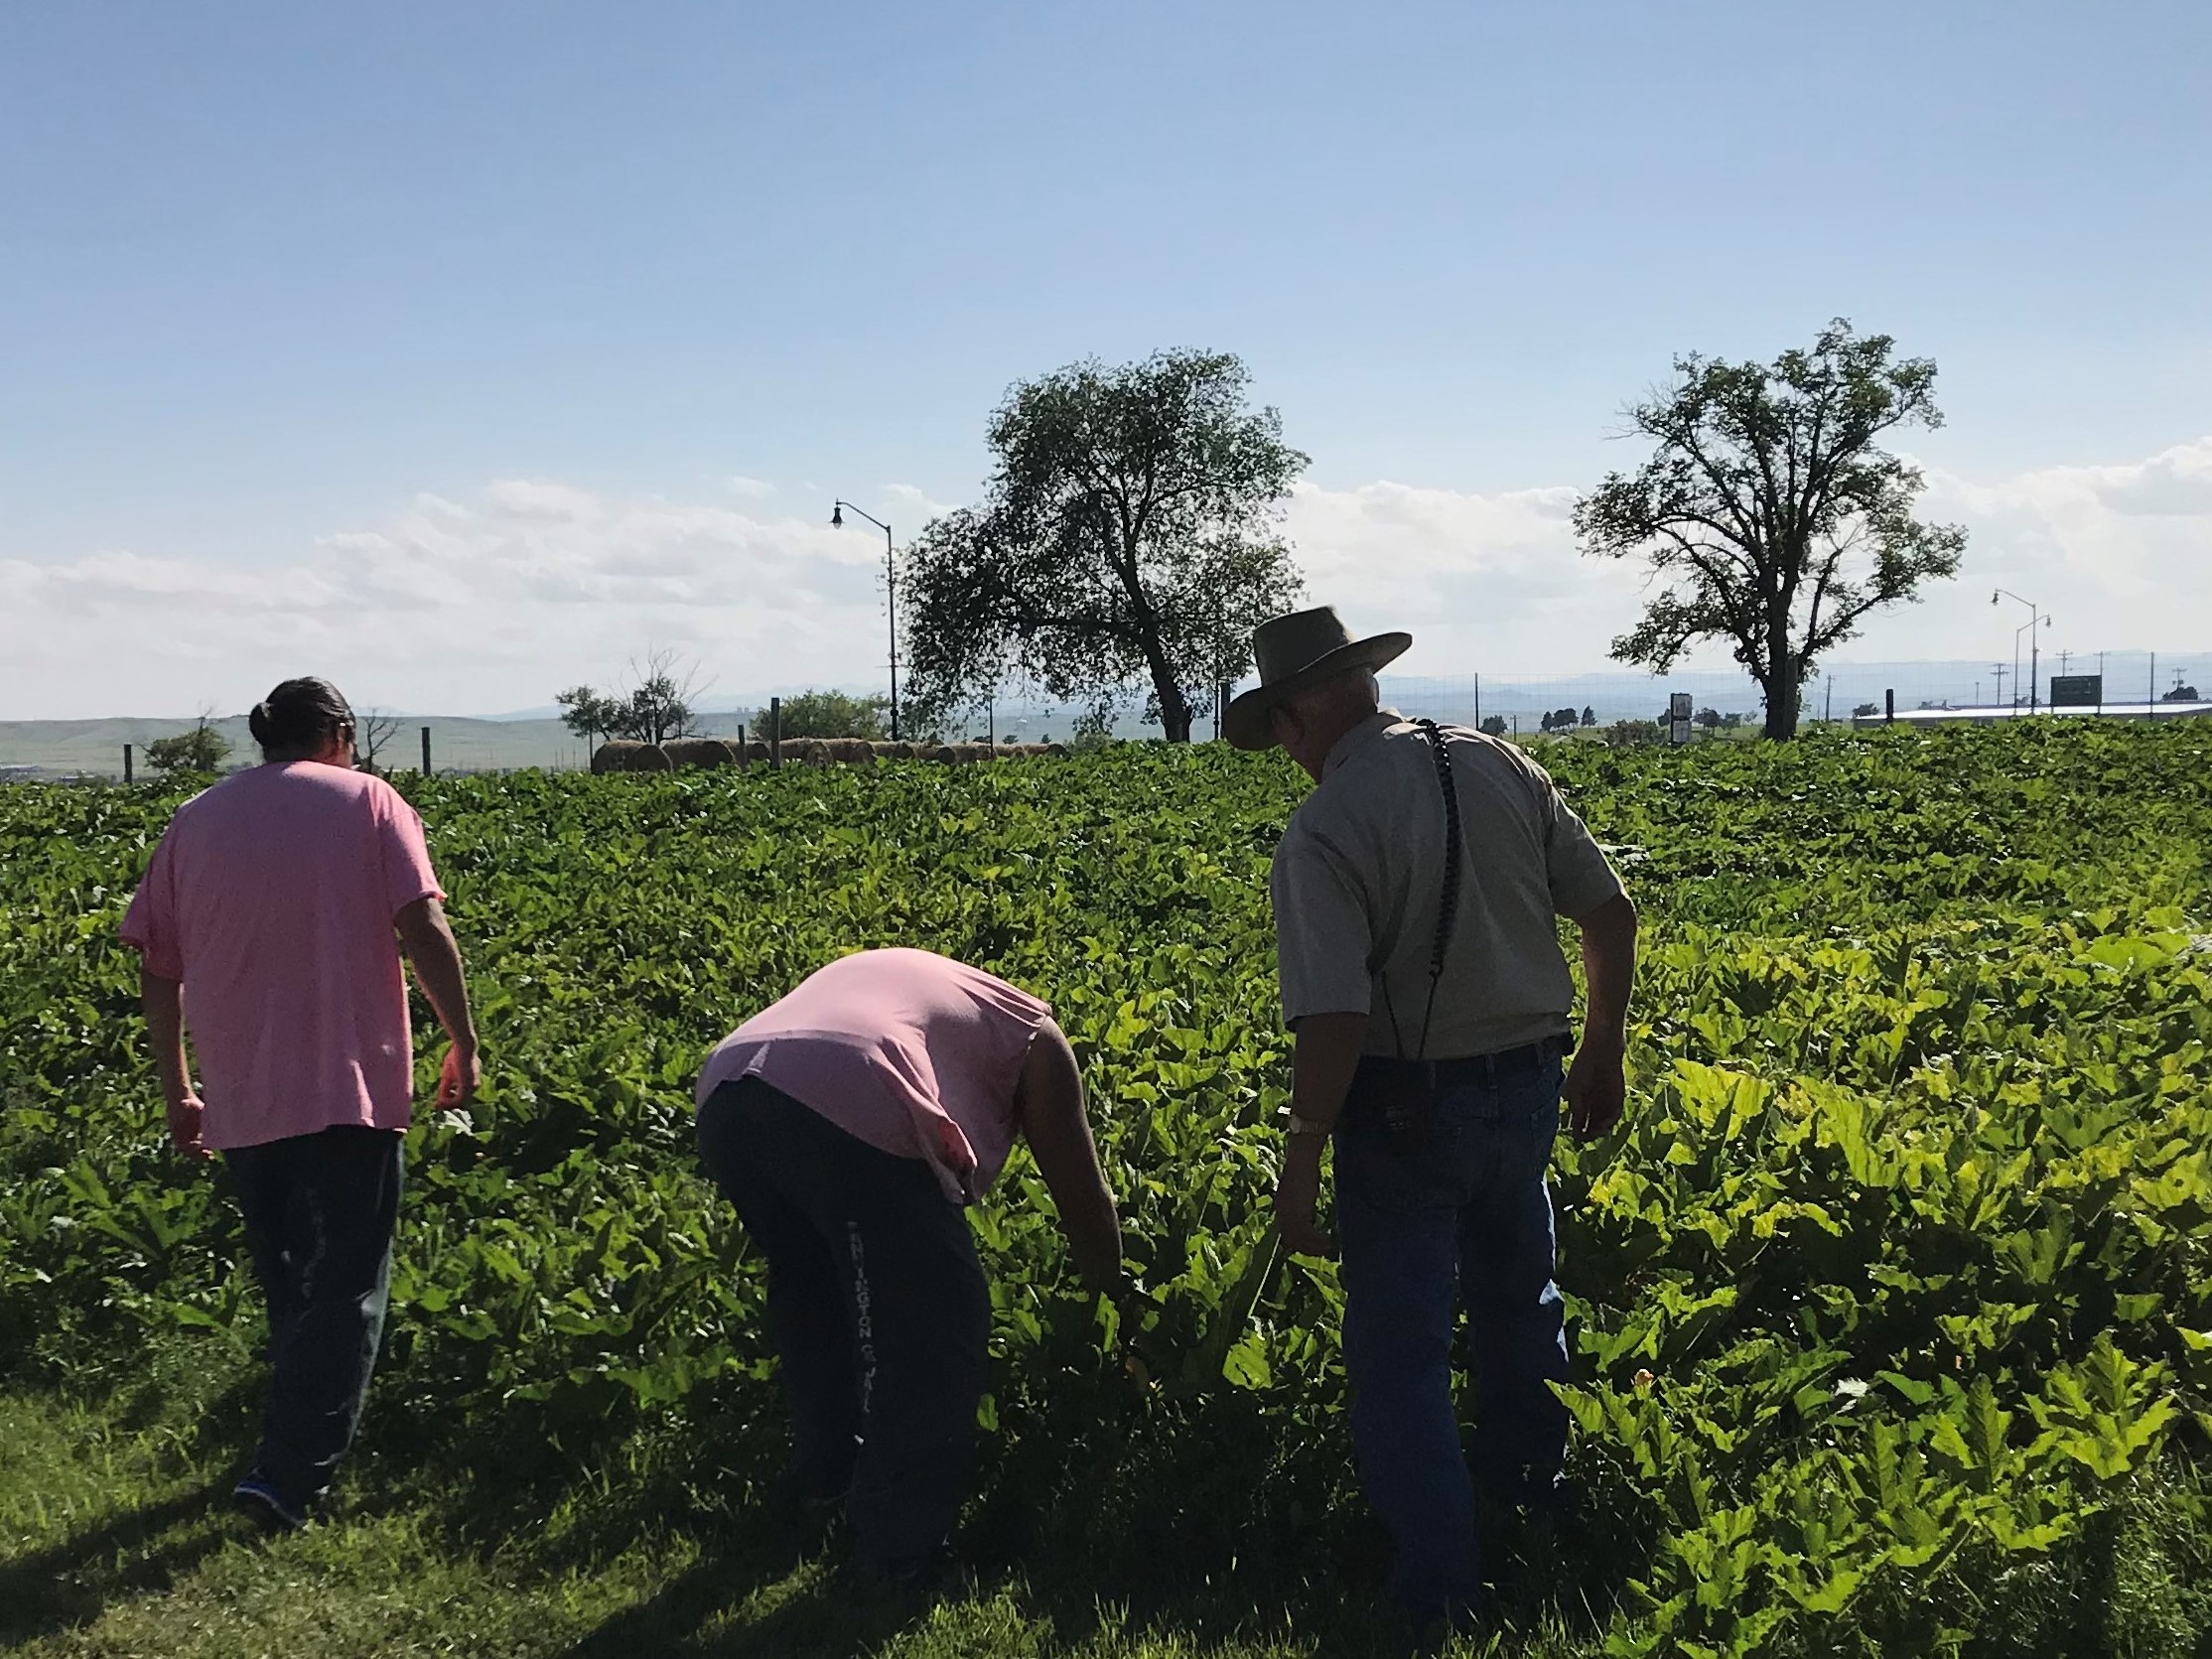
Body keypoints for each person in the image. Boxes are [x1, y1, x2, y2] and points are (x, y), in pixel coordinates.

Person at [1224, 607, 1638, 1628]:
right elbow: (1609, 911)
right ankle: (1531, 1526)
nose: (1284, 748)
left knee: (1398, 1353)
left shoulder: (1326, 826)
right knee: (1519, 1310)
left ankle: (1437, 1594)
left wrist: (1299, 1155)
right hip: (1530, 1088)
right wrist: (1601, 1049)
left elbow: (1331, 1017)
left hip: (1407, 1112)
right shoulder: (1499, 763)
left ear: (1302, 711)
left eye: (1279, 726)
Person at [119, 677, 479, 1534]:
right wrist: (463, 1038)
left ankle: (281, 1454)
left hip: (241, 1098)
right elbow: (424, 926)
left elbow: (158, 967)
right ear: (340, 734)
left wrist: (178, 1087)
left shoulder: (196, 818)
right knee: (347, 1286)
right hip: (347, 1089)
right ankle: (285, 1481)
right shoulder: (370, 800)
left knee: (292, 1285)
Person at [694, 946, 1125, 1584]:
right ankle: (900, 1553)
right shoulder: (1037, 1039)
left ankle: (822, 1491)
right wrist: (1117, 1317)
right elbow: (1084, 1200)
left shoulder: (922, 983)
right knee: (936, 1321)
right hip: (852, 1083)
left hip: (730, 1087)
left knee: (814, 1294)